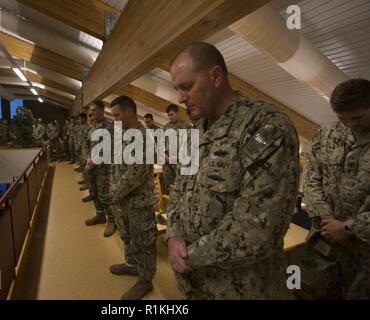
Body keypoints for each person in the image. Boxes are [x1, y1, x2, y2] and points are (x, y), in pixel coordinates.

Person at [167, 42, 300, 299]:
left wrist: (186, 256)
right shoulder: (197, 131)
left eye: (187, 87)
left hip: (243, 288)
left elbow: (258, 229)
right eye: (177, 89)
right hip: (196, 285)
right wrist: (173, 234)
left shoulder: (265, 127)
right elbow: (178, 190)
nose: (180, 98)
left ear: (215, 76)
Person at [303, 78, 370, 299]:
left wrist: (348, 228)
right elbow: (312, 178)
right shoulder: (327, 134)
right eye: (342, 118)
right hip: (324, 241)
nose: (350, 124)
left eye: (357, 117)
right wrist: (325, 217)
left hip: (363, 253)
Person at [108, 95, 159, 300]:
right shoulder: (123, 135)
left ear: (130, 112)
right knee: (127, 235)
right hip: (123, 199)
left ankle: (145, 280)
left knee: (144, 241)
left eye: (117, 115)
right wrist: (112, 184)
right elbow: (114, 163)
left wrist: (115, 191)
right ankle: (131, 264)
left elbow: (136, 172)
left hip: (140, 201)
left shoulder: (143, 137)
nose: (115, 120)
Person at [84, 101, 116, 237]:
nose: (92, 112)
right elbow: (85, 145)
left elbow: (110, 149)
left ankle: (112, 220)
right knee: (94, 192)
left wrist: (95, 161)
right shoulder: (91, 128)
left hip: (104, 169)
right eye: (91, 110)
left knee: (105, 196)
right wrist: (87, 158)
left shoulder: (109, 127)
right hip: (91, 167)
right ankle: (100, 215)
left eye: (95, 110)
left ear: (103, 110)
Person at [162, 104, 191, 194]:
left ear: (178, 113)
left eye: (172, 114)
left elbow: (190, 147)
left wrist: (176, 158)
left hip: (181, 164)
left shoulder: (187, 127)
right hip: (168, 166)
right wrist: (164, 155)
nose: (170, 117)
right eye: (168, 115)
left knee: (182, 190)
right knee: (169, 190)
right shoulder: (165, 128)